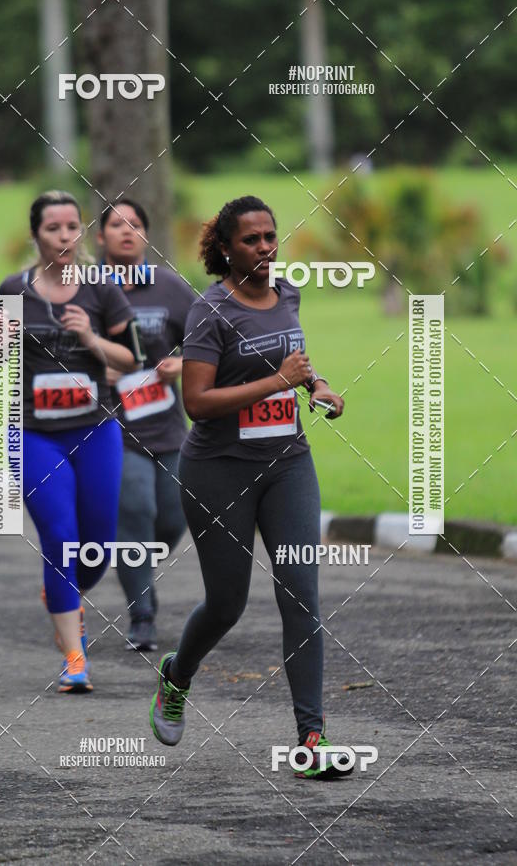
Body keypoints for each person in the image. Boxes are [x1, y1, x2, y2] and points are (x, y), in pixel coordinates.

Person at [149, 195, 351, 778]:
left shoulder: (287, 294)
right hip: (218, 473)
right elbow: (196, 403)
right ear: (226, 249)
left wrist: (317, 388)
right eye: (251, 240)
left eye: (271, 237)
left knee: (301, 597)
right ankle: (177, 675)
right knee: (228, 603)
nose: (265, 248)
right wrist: (276, 382)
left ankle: (310, 741)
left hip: (288, 464)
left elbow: (297, 366)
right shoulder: (209, 312)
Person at [0, 190, 143, 692]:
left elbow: (132, 360)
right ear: (36, 235)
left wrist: (92, 340)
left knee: (98, 545)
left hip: (94, 429)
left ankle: (62, 594)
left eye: (72, 226)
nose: (65, 236)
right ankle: (75, 658)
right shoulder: (14, 288)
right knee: (59, 534)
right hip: (30, 434)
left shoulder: (101, 289)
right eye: (53, 228)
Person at [99, 199, 196, 651]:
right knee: (135, 511)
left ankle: (132, 558)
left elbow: (213, 341)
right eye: (116, 225)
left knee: (172, 517)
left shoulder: (169, 289)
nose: (126, 231)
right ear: (100, 238)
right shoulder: (87, 291)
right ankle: (143, 615)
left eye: (135, 224)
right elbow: (57, 356)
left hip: (167, 429)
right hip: (111, 429)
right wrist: (99, 369)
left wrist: (184, 362)